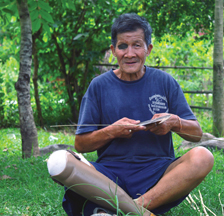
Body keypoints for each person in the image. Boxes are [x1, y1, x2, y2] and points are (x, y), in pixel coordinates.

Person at [63, 13, 214, 216]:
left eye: (137, 45)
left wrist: (174, 122)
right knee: (61, 161)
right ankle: (131, 210)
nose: (129, 53)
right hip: (109, 175)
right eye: (122, 46)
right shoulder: (98, 86)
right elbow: (81, 145)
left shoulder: (165, 82)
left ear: (148, 49)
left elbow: (196, 134)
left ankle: (130, 208)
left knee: (203, 156)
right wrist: (112, 131)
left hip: (158, 175)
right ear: (113, 51)